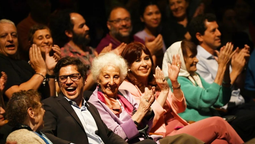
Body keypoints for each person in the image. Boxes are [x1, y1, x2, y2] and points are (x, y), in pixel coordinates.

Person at [119, 42, 243, 144]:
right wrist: (163, 92)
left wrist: (174, 83)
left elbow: (180, 108)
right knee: (218, 123)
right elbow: (147, 123)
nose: (144, 63)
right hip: (160, 135)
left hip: (178, 127)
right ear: (128, 66)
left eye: (146, 58)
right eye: (138, 60)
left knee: (220, 142)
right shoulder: (128, 88)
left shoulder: (156, 82)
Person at [41, 56, 158, 144]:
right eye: (63, 78)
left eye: (74, 76)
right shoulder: (51, 105)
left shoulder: (90, 107)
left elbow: (109, 135)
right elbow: (44, 135)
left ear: (84, 79)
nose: (68, 81)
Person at [0, 19, 56, 104]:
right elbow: (16, 96)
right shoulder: (2, 62)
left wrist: (50, 72)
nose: (10, 39)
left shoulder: (23, 64)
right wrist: (41, 72)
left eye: (14, 35)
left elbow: (50, 99)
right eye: (4, 36)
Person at [135, 0, 165, 68]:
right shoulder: (138, 38)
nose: (155, 17)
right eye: (149, 14)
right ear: (142, 18)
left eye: (157, 13)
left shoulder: (163, 34)